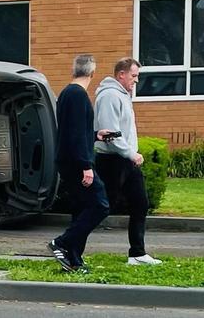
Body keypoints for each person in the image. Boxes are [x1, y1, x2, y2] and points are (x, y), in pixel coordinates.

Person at [94, 57, 162, 265]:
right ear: (121, 74)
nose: (136, 81)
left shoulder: (123, 95)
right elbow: (110, 134)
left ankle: (137, 253)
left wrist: (131, 154)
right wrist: (131, 153)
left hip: (126, 160)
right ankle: (67, 243)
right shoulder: (109, 96)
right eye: (133, 76)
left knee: (140, 203)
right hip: (112, 160)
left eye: (137, 76)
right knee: (101, 207)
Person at [48, 54, 111, 274]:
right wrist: (86, 166)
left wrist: (96, 135)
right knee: (99, 205)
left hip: (69, 160)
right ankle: (62, 243)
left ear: (74, 70)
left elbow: (73, 132)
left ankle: (74, 260)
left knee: (81, 208)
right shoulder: (77, 95)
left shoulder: (66, 93)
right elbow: (74, 133)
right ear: (93, 73)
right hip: (77, 162)